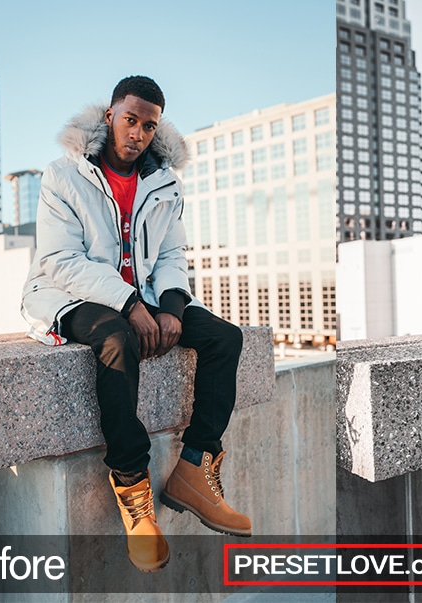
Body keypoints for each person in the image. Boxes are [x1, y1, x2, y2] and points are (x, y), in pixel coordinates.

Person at [21, 75, 251, 573]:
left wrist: (169, 305)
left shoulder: (165, 182)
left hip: (145, 298)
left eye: (149, 125)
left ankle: (195, 468)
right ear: (110, 116)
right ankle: (133, 492)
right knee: (117, 339)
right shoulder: (64, 175)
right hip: (71, 295)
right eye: (130, 120)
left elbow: (172, 252)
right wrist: (130, 304)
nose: (138, 133)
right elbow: (60, 260)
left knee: (223, 338)